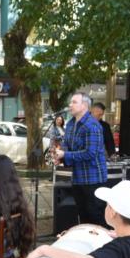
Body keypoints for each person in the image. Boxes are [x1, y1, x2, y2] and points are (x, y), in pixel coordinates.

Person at [53, 92, 108, 226]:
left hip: (93, 180)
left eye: (74, 102)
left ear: (84, 105)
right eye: (70, 102)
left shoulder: (92, 125)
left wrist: (65, 155)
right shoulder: (71, 124)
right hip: (78, 178)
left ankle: (103, 245)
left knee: (96, 216)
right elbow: (67, 145)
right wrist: (60, 157)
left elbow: (90, 153)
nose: (70, 105)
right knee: (83, 216)